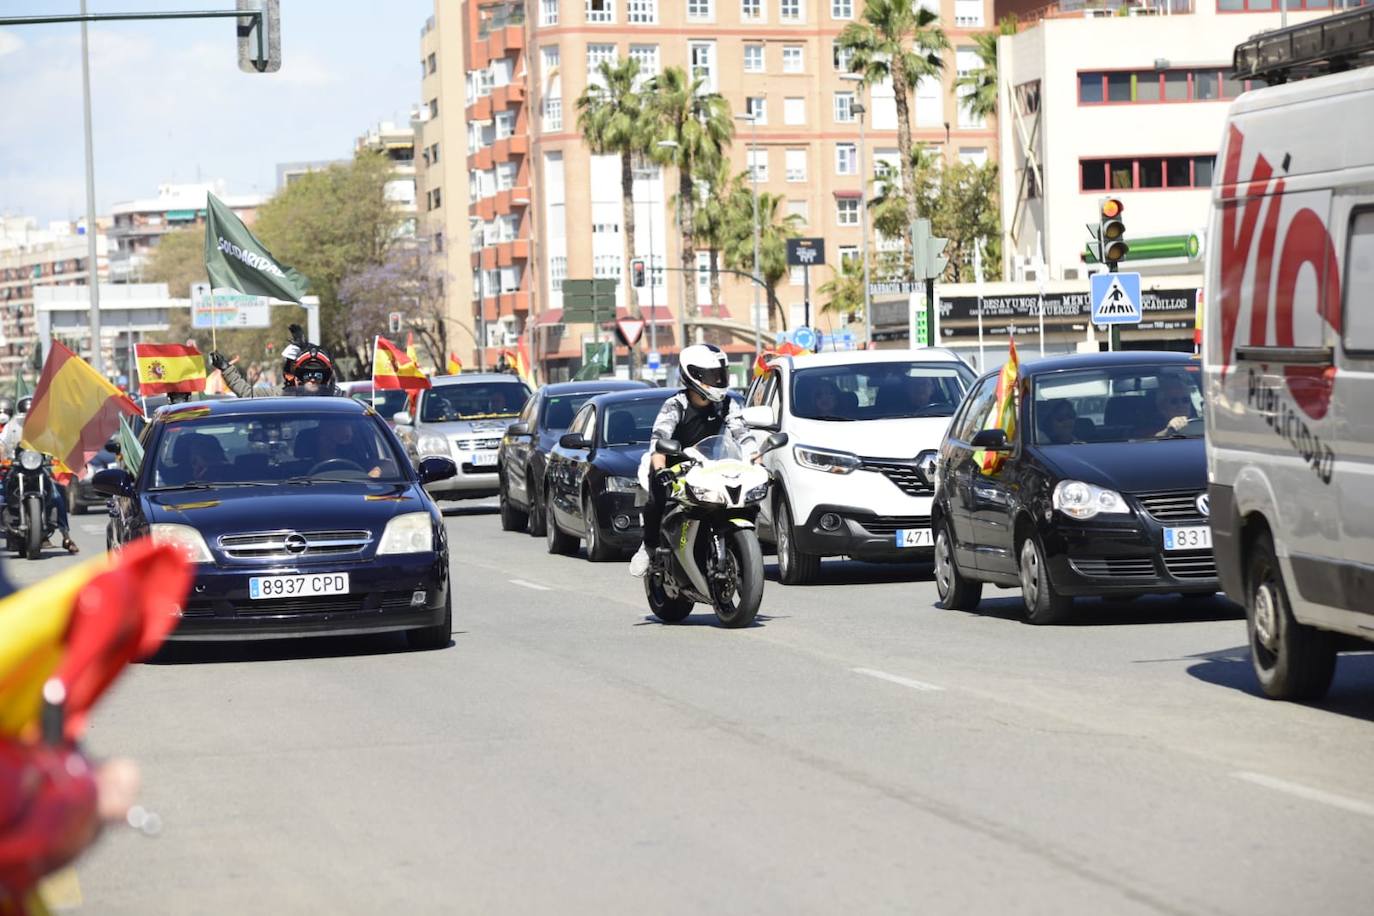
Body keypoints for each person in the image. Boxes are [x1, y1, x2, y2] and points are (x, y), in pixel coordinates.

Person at [630, 344, 757, 578]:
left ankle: (739, 548)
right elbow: (659, 442)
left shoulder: (727, 403)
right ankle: (647, 548)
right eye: (713, 376)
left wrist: (754, 457)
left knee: (747, 498)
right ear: (693, 376)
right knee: (657, 498)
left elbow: (742, 433)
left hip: (711, 464)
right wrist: (660, 470)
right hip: (674, 466)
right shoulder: (675, 405)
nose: (719, 381)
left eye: (722, 375)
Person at [0, 398, 78, 553]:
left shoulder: (44, 427)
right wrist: (3, 458)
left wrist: (57, 456)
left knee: (57, 495)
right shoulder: (12, 427)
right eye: (25, 413)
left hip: (38, 468)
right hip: (17, 468)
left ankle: (66, 536)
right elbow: (2, 444)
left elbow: (54, 444)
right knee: (1, 495)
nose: (28, 415)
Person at [210, 325, 342, 398]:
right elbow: (247, 394)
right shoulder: (282, 394)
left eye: (318, 375)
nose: (312, 379)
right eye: (307, 374)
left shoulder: (339, 401)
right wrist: (226, 369)